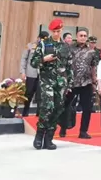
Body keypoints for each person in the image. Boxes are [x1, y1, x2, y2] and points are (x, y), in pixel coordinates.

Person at [30, 19, 73, 150]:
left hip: (61, 83)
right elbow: (33, 62)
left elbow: (69, 66)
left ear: (61, 30)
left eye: (58, 31)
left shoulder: (65, 46)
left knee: (57, 109)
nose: (56, 33)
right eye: (54, 31)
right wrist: (44, 59)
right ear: (51, 31)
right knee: (47, 107)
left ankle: (49, 138)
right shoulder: (43, 44)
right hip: (46, 81)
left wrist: (70, 84)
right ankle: (39, 136)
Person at [59, 29, 98, 139]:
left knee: (87, 108)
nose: (83, 37)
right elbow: (63, 65)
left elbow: (93, 67)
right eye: (81, 35)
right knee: (65, 105)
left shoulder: (92, 51)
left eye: (85, 36)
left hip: (86, 83)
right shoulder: (69, 49)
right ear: (77, 36)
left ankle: (83, 131)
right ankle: (63, 127)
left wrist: (95, 82)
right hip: (71, 83)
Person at [20, 31, 49, 117]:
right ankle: (25, 112)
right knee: (28, 93)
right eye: (42, 39)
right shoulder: (30, 46)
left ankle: (39, 114)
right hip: (31, 73)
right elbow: (24, 59)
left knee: (40, 95)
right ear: (38, 38)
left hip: (42, 74)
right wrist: (22, 72)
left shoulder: (48, 47)